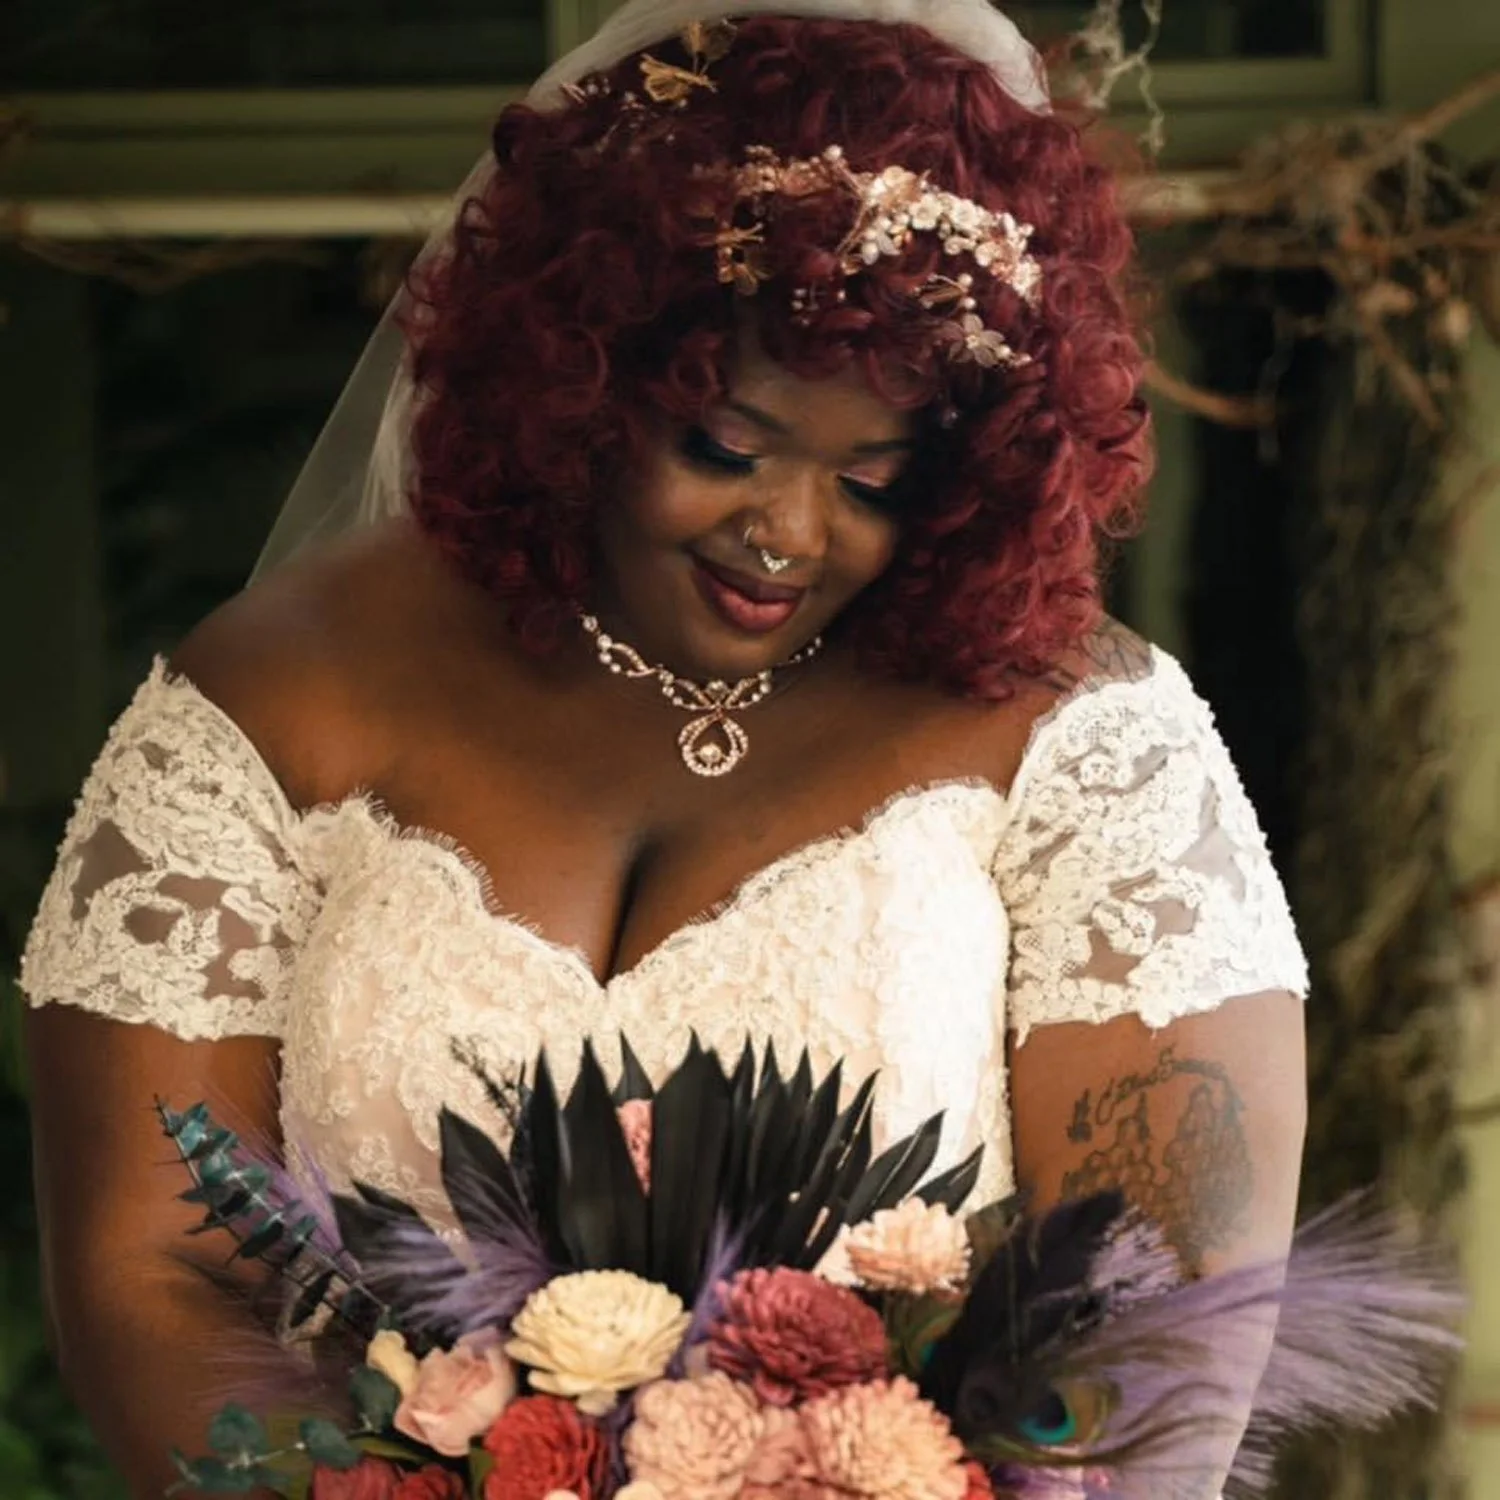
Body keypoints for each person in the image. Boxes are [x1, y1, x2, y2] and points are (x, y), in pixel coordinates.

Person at [19, 2, 1308, 1493]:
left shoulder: (1081, 738)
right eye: (728, 449)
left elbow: (1163, 1321)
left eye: (876, 480)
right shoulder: (275, 696)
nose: (790, 531)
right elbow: (150, 1268)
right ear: (584, 381)